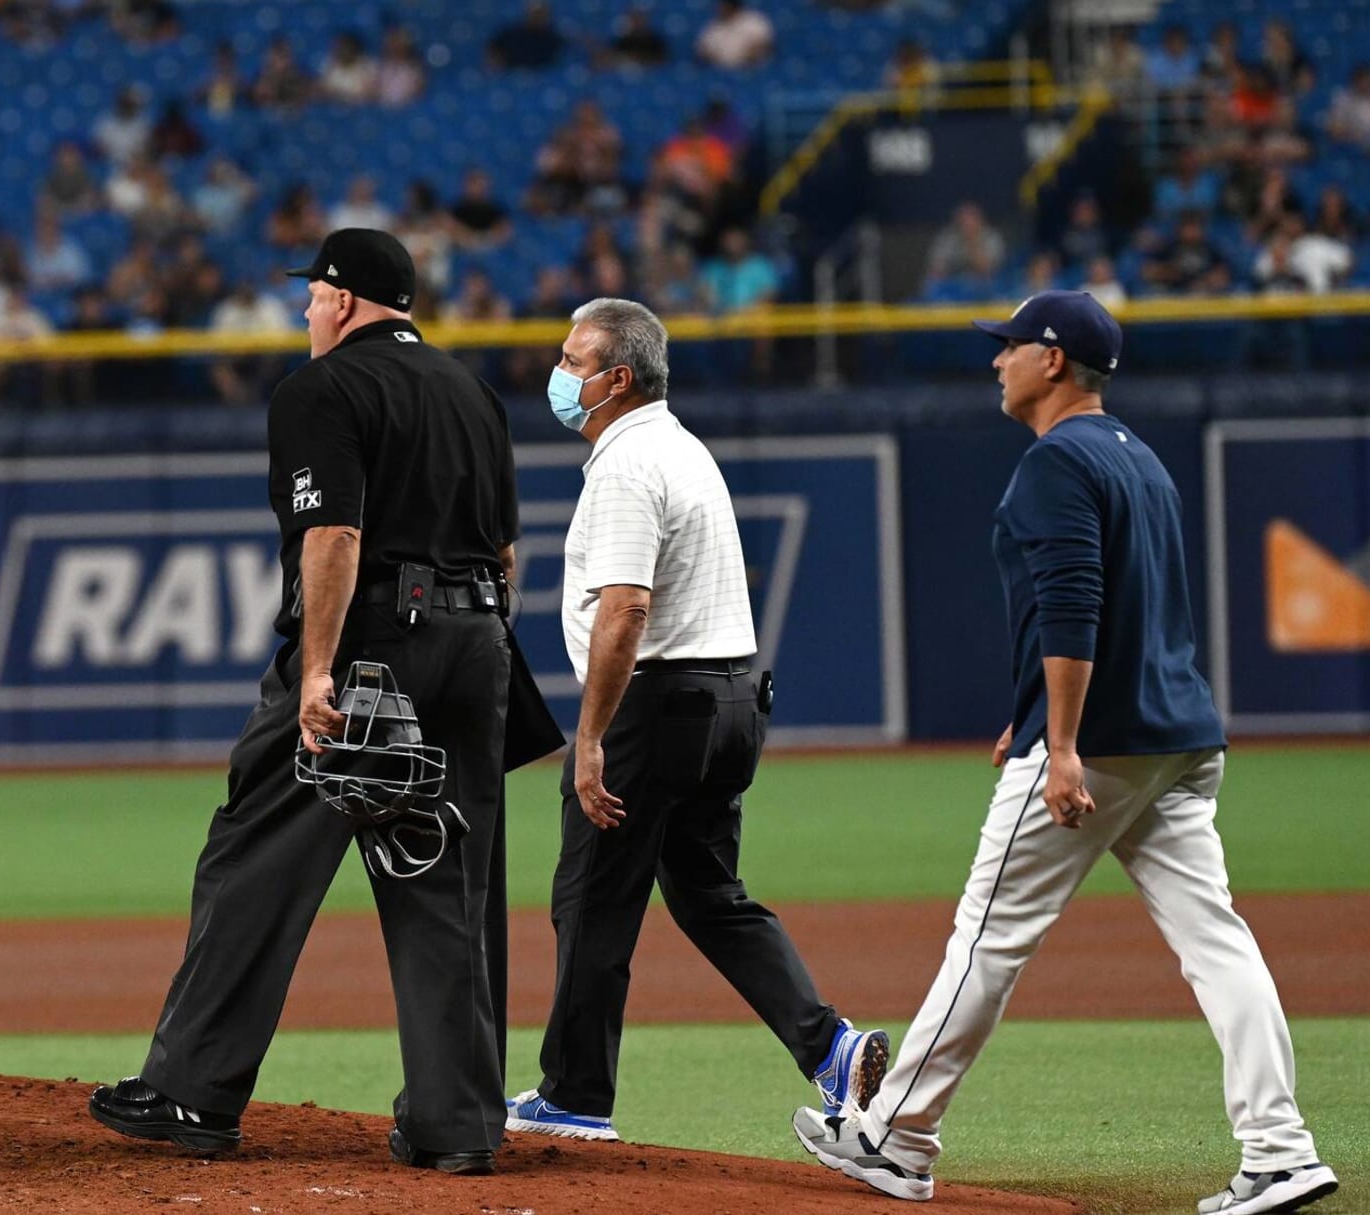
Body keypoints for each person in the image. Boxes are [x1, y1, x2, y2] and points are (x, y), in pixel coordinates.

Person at [794, 291, 1339, 1215]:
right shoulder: (1139, 458)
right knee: (1219, 942)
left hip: (1105, 741)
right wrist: (1033, 709)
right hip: (1178, 732)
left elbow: (1075, 608)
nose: (996, 361)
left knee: (987, 938)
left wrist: (1063, 741)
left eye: (1008, 347)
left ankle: (896, 1135)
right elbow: (1135, 609)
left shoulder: (1056, 463)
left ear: (1052, 360)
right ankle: (1281, 1151)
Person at [88, 230, 523, 1174]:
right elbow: (505, 556)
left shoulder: (321, 390)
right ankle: (459, 1125)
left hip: (372, 645)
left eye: (311, 293)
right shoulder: (472, 392)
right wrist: (469, 650)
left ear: (341, 298)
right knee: (448, 880)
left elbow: (333, 531)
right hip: (478, 642)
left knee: (254, 853)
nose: (304, 309)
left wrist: (319, 668)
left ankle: (191, 1092)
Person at [506, 298, 888, 1142]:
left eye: (574, 363)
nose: (559, 378)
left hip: (658, 705)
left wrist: (594, 738)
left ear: (618, 379)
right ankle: (831, 1048)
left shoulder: (625, 464)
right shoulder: (684, 448)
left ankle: (573, 1095)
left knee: (592, 899)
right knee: (712, 896)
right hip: (732, 700)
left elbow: (626, 609)